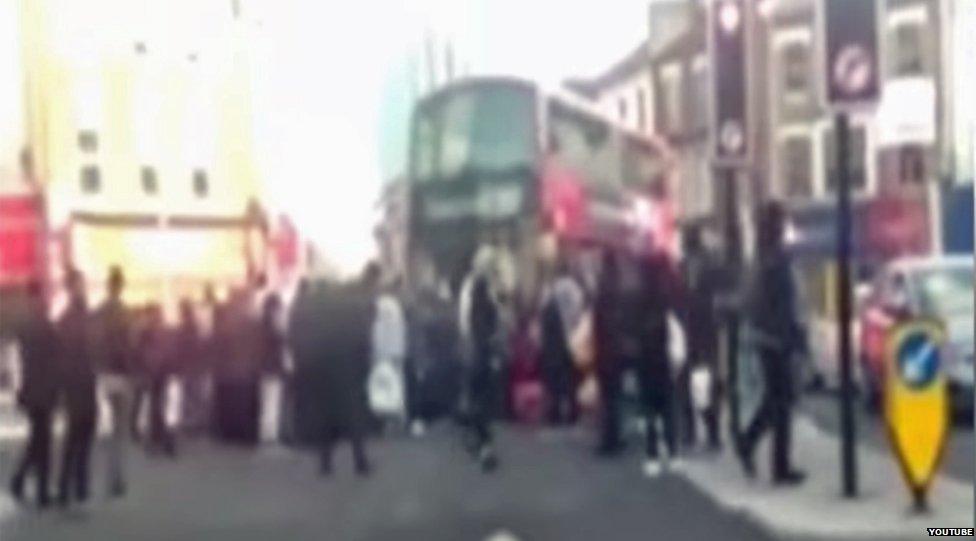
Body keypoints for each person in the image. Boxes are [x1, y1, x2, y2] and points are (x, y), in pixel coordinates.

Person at [736, 201, 807, 485]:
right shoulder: (777, 260)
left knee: (776, 399)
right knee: (782, 400)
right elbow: (785, 306)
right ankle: (776, 463)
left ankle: (754, 445)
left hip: (766, 337)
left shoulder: (763, 256)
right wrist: (795, 339)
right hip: (778, 339)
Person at [289, 265, 377, 476]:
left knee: (323, 414)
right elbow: (363, 336)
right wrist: (364, 365)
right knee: (352, 412)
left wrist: (303, 363)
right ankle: (360, 460)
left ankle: (325, 462)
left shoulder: (308, 306)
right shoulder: (351, 305)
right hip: (347, 366)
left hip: (320, 365)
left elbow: (295, 334)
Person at [634, 251, 684, 478]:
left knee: (649, 410)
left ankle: (652, 454)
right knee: (668, 407)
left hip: (646, 358)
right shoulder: (669, 293)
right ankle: (673, 453)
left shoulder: (640, 296)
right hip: (664, 357)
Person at [9, 281, 58, 508]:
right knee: (42, 440)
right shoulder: (44, 325)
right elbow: (53, 360)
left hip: (31, 390)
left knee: (38, 439)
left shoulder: (26, 325)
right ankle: (38, 490)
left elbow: (21, 361)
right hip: (43, 390)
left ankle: (22, 481)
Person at [678, 225, 723, 451]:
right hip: (693, 330)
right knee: (693, 381)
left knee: (700, 381)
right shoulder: (687, 265)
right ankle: (697, 430)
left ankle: (707, 430)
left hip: (700, 330)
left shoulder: (697, 265)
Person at [91, 266, 134, 497]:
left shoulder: (98, 313)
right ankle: (117, 478)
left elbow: (92, 343)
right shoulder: (126, 313)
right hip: (122, 375)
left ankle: (108, 476)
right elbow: (131, 346)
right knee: (121, 431)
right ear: (121, 286)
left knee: (108, 430)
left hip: (103, 374)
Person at [56, 268, 97, 507]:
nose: (84, 288)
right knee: (76, 434)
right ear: (72, 288)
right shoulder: (71, 317)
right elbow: (70, 353)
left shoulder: (78, 315)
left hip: (84, 380)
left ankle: (78, 485)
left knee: (83, 432)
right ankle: (68, 487)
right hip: (77, 382)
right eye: (81, 284)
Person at [462, 256, 501, 472]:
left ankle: (480, 441)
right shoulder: (491, 307)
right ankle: (485, 443)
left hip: (475, 358)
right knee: (485, 402)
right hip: (487, 359)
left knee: (475, 400)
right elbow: (495, 333)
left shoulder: (472, 309)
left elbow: (471, 333)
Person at [593, 250, 625, 457]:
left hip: (604, 351)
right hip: (617, 350)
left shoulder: (601, 294)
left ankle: (608, 438)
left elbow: (597, 325)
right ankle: (614, 436)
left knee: (607, 397)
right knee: (614, 396)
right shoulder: (619, 293)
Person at [540, 271, 578, 426]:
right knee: (569, 381)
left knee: (556, 382)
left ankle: (555, 413)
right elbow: (576, 313)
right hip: (570, 341)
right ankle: (571, 412)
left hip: (555, 345)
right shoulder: (574, 289)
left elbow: (546, 321)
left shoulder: (552, 294)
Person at [141, 304, 176, 456]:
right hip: (160, 372)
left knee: (155, 407)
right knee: (158, 407)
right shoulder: (162, 331)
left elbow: (142, 351)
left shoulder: (148, 331)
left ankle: (161, 440)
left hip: (156, 372)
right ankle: (163, 440)